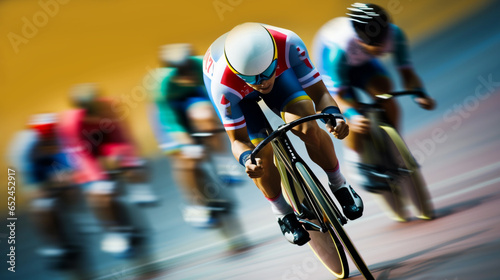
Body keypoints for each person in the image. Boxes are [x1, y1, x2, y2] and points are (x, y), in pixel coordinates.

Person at [202, 22, 363, 246]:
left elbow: (320, 95)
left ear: (275, 57)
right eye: (252, 78)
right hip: (238, 96)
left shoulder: (288, 44)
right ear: (239, 73)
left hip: (281, 79)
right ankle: (282, 213)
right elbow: (238, 140)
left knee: (307, 126)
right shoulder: (223, 84)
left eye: (267, 72)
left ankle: (339, 184)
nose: (262, 82)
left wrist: (334, 115)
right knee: (260, 158)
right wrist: (247, 160)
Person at [312, 3, 436, 220]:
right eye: (374, 45)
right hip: (336, 73)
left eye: (383, 42)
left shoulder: (394, 35)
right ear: (359, 39)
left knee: (385, 93)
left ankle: (393, 144)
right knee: (355, 122)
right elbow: (337, 96)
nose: (381, 48)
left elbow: (407, 73)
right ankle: (356, 162)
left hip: (364, 66)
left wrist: (419, 94)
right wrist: (351, 115)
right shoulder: (337, 51)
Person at [149, 43, 244, 230]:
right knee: (184, 161)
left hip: (197, 101)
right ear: (169, 71)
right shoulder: (161, 84)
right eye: (179, 72)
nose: (186, 76)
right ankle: (195, 203)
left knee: (204, 114)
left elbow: (219, 98)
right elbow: (169, 121)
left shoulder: (202, 65)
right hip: (170, 114)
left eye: (187, 70)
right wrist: (185, 144)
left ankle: (223, 161)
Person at [58, 83, 153, 256]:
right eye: (87, 108)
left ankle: (138, 189)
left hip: (108, 144)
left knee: (124, 156)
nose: (92, 110)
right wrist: (97, 179)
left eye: (94, 105)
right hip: (85, 152)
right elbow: (80, 153)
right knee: (98, 193)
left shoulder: (109, 106)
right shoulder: (71, 122)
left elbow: (122, 135)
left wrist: (131, 163)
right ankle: (113, 233)